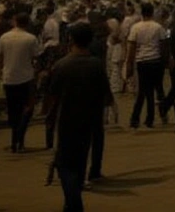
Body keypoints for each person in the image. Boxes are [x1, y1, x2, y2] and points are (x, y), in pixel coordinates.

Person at [43, 23, 113, 212]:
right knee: (80, 161)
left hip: (67, 121)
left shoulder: (62, 65)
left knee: (65, 165)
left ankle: (73, 202)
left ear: (71, 40)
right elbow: (106, 98)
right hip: (89, 121)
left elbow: (52, 96)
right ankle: (72, 200)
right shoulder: (97, 65)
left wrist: (49, 117)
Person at [0, 12, 41, 153]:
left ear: (15, 21)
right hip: (26, 78)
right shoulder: (31, 38)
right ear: (27, 23)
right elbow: (36, 57)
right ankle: (20, 137)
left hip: (9, 78)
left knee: (13, 109)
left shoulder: (4, 37)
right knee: (27, 108)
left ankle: (14, 138)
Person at [124, 3, 167, 129]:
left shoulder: (136, 28)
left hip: (142, 62)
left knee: (143, 91)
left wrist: (129, 64)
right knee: (152, 90)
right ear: (152, 12)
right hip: (155, 61)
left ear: (142, 13)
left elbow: (131, 47)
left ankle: (135, 118)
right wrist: (165, 62)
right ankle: (150, 118)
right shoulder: (158, 27)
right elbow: (164, 45)